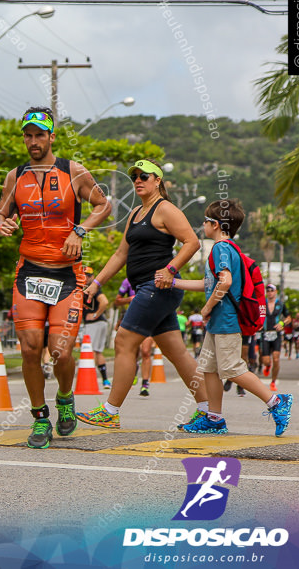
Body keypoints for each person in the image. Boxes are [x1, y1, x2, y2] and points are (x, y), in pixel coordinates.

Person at [0, 106, 111, 449]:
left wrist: (80, 230)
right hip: (29, 270)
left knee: (59, 351)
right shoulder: (15, 177)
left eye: (39, 135)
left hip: (67, 275)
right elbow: (0, 215)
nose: (33, 141)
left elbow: (104, 205)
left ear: (51, 137)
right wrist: (2, 224)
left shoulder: (73, 172)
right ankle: (40, 417)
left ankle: (64, 396)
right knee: (30, 350)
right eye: (28, 135)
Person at [77, 160, 207, 431]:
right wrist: (96, 283)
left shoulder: (166, 209)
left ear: (157, 180)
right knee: (178, 353)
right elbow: (120, 254)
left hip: (157, 288)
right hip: (149, 289)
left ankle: (111, 411)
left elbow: (192, 242)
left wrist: (171, 269)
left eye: (144, 176)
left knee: (124, 340)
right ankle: (211, 413)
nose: (138, 180)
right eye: (134, 176)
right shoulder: (136, 212)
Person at [172, 199, 293, 436]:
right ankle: (214, 419)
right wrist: (174, 282)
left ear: (215, 224)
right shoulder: (229, 249)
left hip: (226, 320)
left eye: (206, 221)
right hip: (220, 322)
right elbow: (209, 283)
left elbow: (224, 281)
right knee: (209, 368)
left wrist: (206, 309)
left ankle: (276, 401)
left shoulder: (220, 249)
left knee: (231, 368)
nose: (203, 225)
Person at [80, 267, 111, 388]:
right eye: (84, 275)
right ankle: (105, 380)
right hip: (99, 323)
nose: (86, 278)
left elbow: (105, 302)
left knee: (90, 351)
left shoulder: (93, 288)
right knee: (97, 351)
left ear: (92, 276)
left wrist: (95, 315)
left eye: (88, 275)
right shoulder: (84, 288)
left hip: (96, 323)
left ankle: (88, 381)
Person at [260, 284, 285, 391]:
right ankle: (267, 366)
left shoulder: (280, 304)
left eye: (272, 290)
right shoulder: (262, 304)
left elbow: (288, 317)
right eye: (268, 290)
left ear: (275, 292)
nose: (270, 292)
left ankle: (273, 382)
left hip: (276, 334)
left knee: (276, 358)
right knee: (266, 360)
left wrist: (282, 324)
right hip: (265, 334)